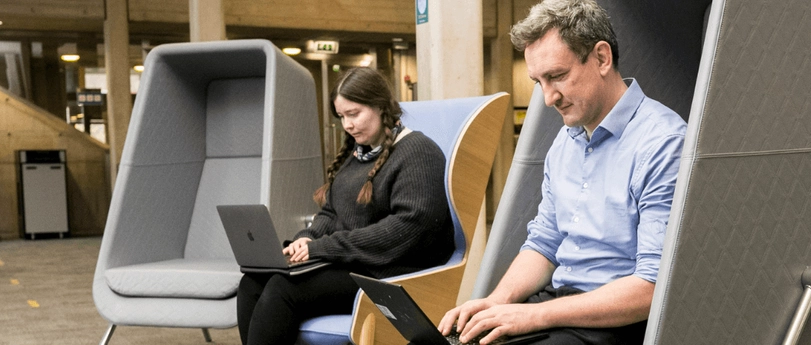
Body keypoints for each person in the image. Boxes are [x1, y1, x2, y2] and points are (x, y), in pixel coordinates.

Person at [438, 0, 687, 344]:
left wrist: (532, 315)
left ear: (601, 58)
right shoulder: (566, 140)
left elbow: (652, 287)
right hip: (559, 307)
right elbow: (545, 242)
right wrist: (497, 302)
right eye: (538, 81)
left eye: (556, 76)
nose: (548, 97)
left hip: (616, 322)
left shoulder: (663, 142)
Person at [237, 67, 455, 345]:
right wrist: (307, 239)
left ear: (380, 106)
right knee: (253, 282)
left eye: (354, 114)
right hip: (355, 262)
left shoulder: (418, 151)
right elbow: (331, 212)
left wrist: (324, 248)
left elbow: (408, 229)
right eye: (342, 117)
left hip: (393, 271)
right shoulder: (359, 154)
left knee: (283, 287)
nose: (348, 125)